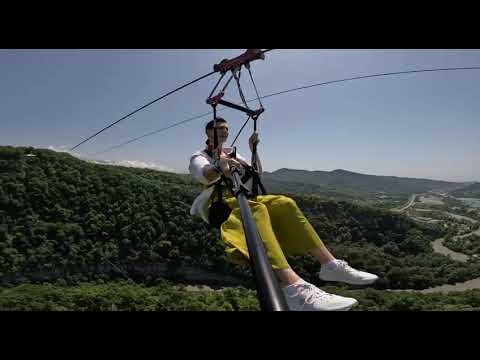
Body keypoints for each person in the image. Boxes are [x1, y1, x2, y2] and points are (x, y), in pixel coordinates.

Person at [189, 118, 378, 311]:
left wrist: (253, 150)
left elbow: (256, 173)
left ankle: (330, 265)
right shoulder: (200, 155)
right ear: (208, 133)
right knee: (258, 210)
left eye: (226, 129)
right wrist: (218, 167)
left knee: (285, 203)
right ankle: (293, 288)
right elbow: (203, 173)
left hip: (244, 197)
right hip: (219, 204)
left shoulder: (232, 153)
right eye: (219, 129)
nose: (224, 132)